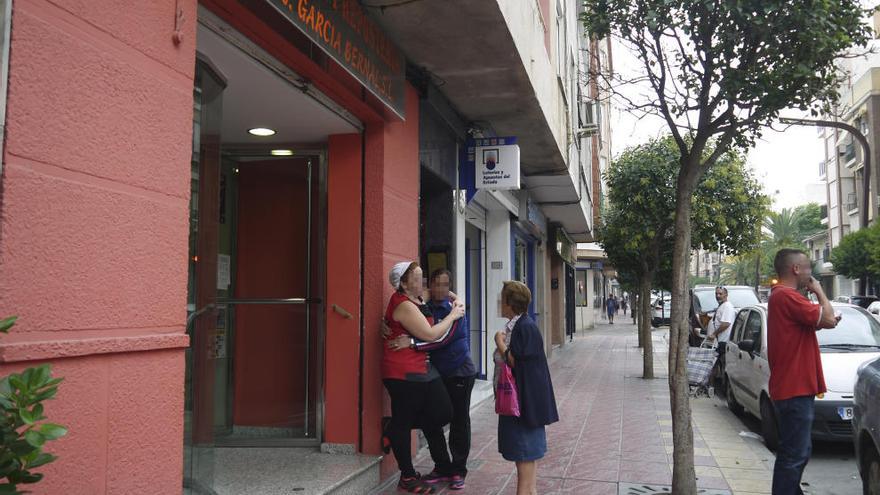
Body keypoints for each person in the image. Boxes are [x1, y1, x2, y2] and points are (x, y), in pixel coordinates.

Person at [387, 269, 476, 491]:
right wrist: (385, 325)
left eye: (444, 285)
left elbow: (441, 338)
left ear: (450, 287)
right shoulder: (422, 302)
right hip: (434, 372)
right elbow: (402, 314)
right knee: (432, 421)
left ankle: (458, 471)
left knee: (457, 420)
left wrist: (413, 343)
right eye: (434, 284)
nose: (439, 289)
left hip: (459, 372)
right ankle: (442, 466)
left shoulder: (455, 310)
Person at [767, 249, 839, 495]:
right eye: (808, 267)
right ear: (796, 269)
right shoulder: (787, 296)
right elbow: (828, 318)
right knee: (794, 455)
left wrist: (823, 318)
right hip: (794, 389)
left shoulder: (781, 297)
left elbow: (813, 325)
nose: (811, 273)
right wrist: (819, 290)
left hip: (793, 388)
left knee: (798, 452)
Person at [493, 281, 559, 495]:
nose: (499, 302)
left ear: (510, 303)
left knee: (525, 463)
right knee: (526, 463)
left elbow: (516, 362)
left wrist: (499, 343)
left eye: (502, 299)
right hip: (522, 405)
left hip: (523, 406)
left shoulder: (525, 327)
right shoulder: (519, 325)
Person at [707, 286, 735, 392]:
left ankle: (718, 388)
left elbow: (726, 324)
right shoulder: (722, 306)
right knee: (716, 364)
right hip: (718, 342)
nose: (718, 296)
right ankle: (712, 387)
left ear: (726, 295)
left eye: (720, 294)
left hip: (722, 342)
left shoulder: (727, 307)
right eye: (716, 294)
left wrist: (714, 334)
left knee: (719, 365)